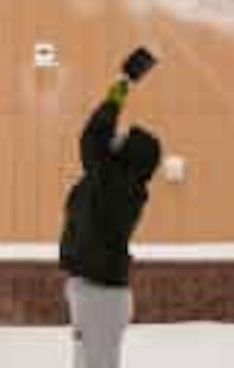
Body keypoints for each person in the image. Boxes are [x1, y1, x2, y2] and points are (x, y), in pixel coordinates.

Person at [58, 76, 162, 368]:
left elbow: (92, 137)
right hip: (95, 293)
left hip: (98, 296)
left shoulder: (114, 186)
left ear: (129, 156)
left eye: (123, 138)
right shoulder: (116, 184)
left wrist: (119, 93)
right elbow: (97, 142)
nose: (115, 137)